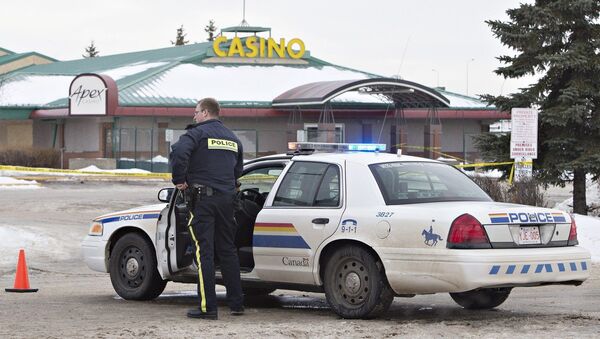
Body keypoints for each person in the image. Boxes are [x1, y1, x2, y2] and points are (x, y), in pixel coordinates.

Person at [170, 98, 244, 320]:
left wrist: (179, 180)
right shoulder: (233, 138)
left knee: (205, 252)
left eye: (195, 112)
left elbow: (179, 153)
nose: (194, 117)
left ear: (204, 112)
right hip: (227, 201)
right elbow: (238, 170)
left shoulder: (196, 134)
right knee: (228, 251)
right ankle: (237, 304)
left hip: (203, 201)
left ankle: (208, 307)